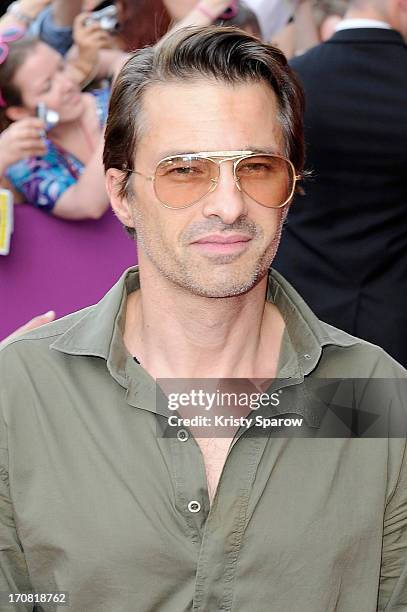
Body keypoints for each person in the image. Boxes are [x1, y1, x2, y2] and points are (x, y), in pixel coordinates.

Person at [0, 24, 406, 612]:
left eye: (258, 167)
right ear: (121, 194)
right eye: (185, 170)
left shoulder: (373, 395)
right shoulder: (24, 392)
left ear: (290, 187)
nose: (228, 203)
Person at [273, 0, 407, 368]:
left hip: (299, 302)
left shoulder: (291, 81)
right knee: (384, 423)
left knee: (304, 423)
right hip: (394, 308)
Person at [0, 30, 121, 219]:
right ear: (19, 112)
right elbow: (87, 204)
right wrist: (119, 116)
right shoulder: (31, 158)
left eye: (62, 67)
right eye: (47, 87)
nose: (67, 84)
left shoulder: (110, 99)